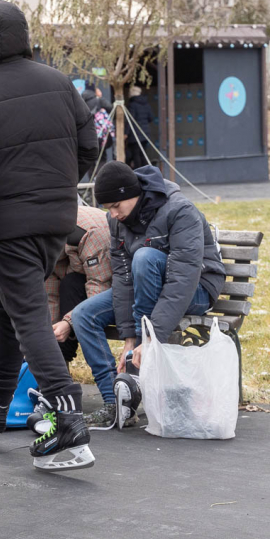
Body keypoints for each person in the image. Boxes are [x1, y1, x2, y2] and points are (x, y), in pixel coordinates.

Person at [0, 0, 99, 470]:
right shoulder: (57, 81)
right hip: (54, 217)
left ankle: (67, 414)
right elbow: (88, 145)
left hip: (6, 221)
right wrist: (58, 188)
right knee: (9, 304)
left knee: (26, 312)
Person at [70, 161, 226, 427]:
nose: (113, 214)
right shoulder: (116, 221)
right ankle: (116, 403)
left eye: (116, 206)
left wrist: (149, 339)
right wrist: (129, 339)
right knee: (83, 314)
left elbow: (182, 280)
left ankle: (136, 383)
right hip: (147, 287)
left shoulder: (180, 211)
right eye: (107, 208)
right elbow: (123, 279)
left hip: (196, 288)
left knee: (144, 258)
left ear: (133, 194)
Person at [45, 205, 112, 362]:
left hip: (111, 286)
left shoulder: (90, 233)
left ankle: (62, 358)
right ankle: (55, 361)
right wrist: (50, 333)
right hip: (78, 273)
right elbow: (50, 292)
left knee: (71, 284)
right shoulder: (42, 240)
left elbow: (100, 286)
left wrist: (68, 323)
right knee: (68, 284)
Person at [125, 86, 154, 169]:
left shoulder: (132, 105)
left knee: (136, 154)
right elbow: (151, 117)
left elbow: (130, 120)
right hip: (145, 133)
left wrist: (126, 133)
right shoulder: (146, 103)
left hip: (135, 134)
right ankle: (146, 171)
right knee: (143, 154)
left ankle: (138, 172)